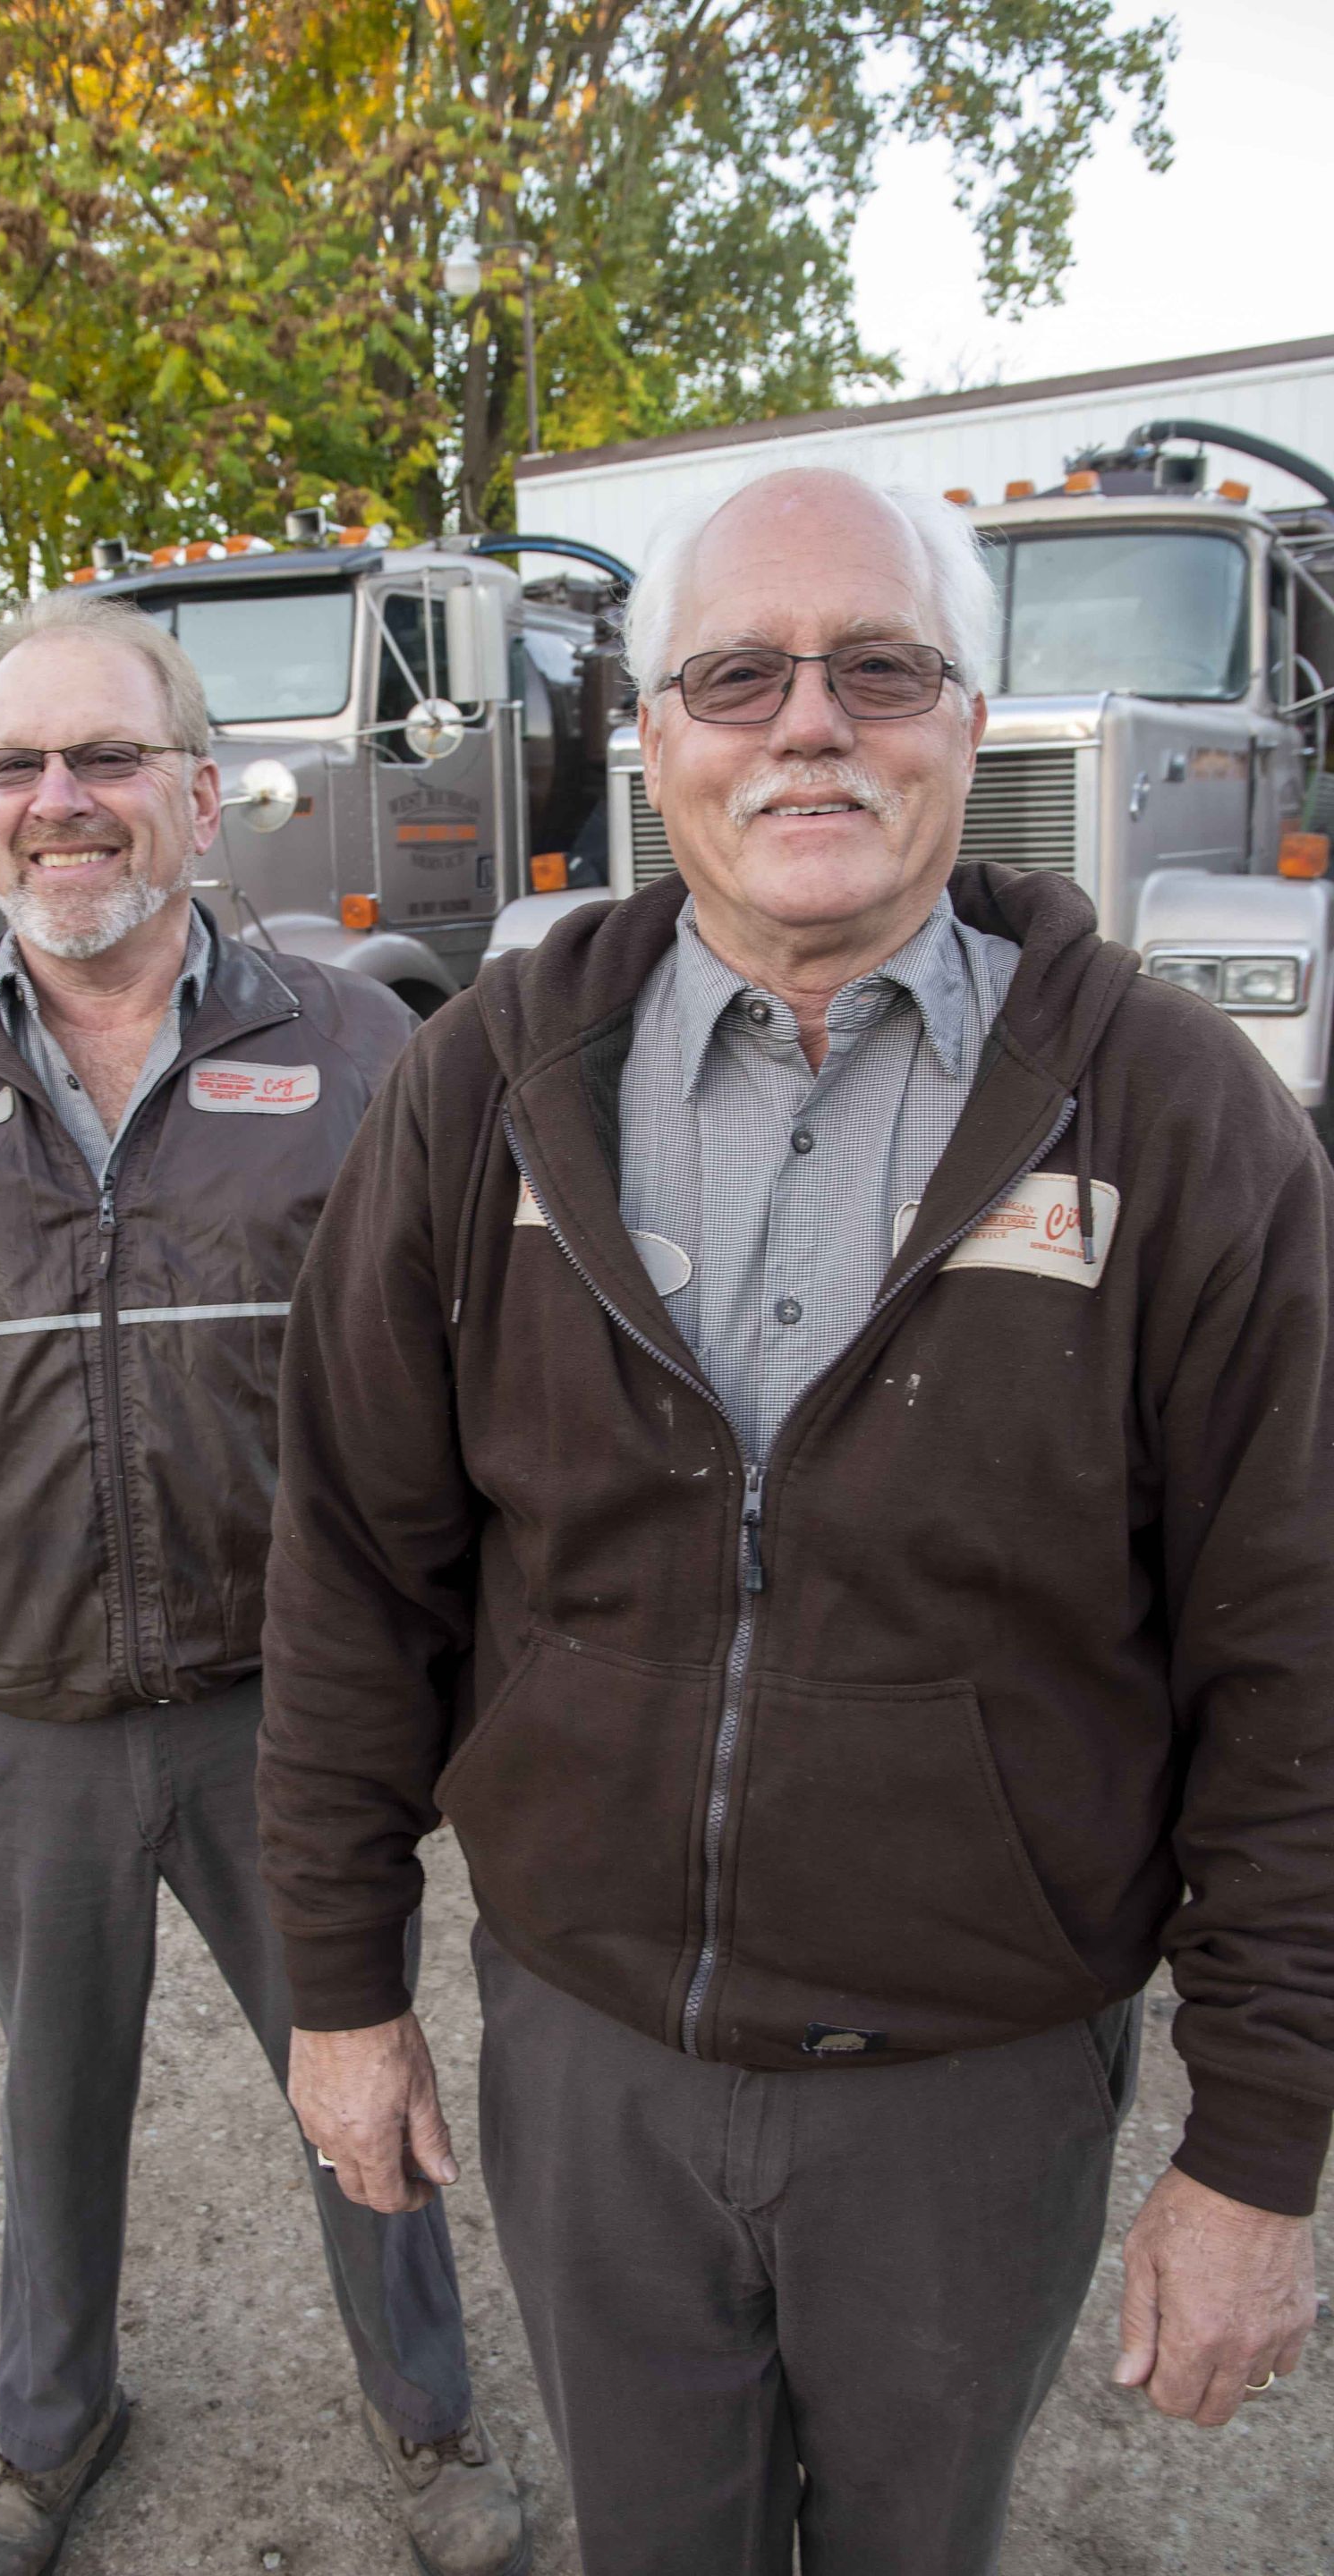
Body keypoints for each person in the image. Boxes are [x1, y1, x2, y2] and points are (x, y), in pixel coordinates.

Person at [256, 467, 1330, 2576]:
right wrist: (341, 1985)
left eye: (879, 668)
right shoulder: (484, 1086)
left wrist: (1260, 2151)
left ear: (967, 717)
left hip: (976, 2087)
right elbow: (353, 1568)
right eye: (738, 674)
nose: (808, 722)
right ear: (654, 738)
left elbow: (1294, 1660)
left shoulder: (1184, 1117)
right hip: (592, 2060)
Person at [0, 591, 526, 2576]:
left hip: (301, 1719)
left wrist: (483, 1706)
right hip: (9, 1725)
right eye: (15, 766)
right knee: (51, 2103)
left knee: (364, 2081)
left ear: (197, 797)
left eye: (105, 761)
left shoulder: (359, 1048)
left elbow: (482, 1412)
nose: (58, 803)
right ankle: (50, 2427)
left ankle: (427, 2423)